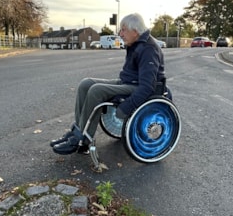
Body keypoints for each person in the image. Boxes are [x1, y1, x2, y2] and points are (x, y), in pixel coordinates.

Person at [51, 13, 166, 155]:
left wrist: (126, 107)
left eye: (123, 30)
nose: (120, 34)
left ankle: (83, 140)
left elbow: (147, 86)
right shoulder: (136, 43)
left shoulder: (148, 49)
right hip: (128, 82)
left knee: (96, 90)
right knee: (86, 84)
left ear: (135, 31)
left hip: (139, 86)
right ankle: (78, 130)